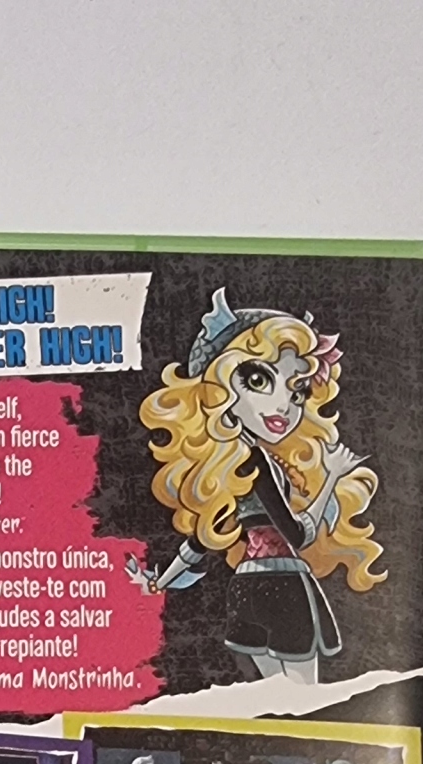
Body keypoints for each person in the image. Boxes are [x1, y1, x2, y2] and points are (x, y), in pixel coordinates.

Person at [136, 289, 384, 683]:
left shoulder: (227, 465)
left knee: (278, 699)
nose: (284, 405)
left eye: (297, 391)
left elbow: (203, 540)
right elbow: (297, 534)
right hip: (283, 586)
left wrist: (158, 582)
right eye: (257, 379)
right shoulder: (255, 460)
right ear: (218, 388)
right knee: (304, 701)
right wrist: (332, 479)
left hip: (245, 591)